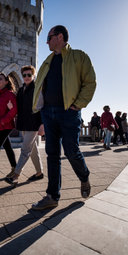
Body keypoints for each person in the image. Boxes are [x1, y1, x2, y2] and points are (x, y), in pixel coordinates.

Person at [30, 25, 96, 210]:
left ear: (59, 37)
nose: (47, 42)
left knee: (71, 150)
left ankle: (84, 177)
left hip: (69, 112)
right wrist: (40, 111)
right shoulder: (47, 62)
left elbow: (90, 82)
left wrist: (78, 105)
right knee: (52, 154)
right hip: (48, 113)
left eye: (49, 38)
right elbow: (40, 88)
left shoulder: (79, 56)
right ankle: (52, 196)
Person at [5, 65, 44, 185]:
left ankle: (16, 175)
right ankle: (39, 172)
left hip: (34, 124)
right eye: (24, 75)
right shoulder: (21, 90)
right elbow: (19, 106)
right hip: (23, 123)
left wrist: (42, 124)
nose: (26, 77)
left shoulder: (38, 88)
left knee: (25, 149)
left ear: (33, 76)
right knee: (32, 150)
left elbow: (43, 106)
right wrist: (11, 108)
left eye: (29, 75)